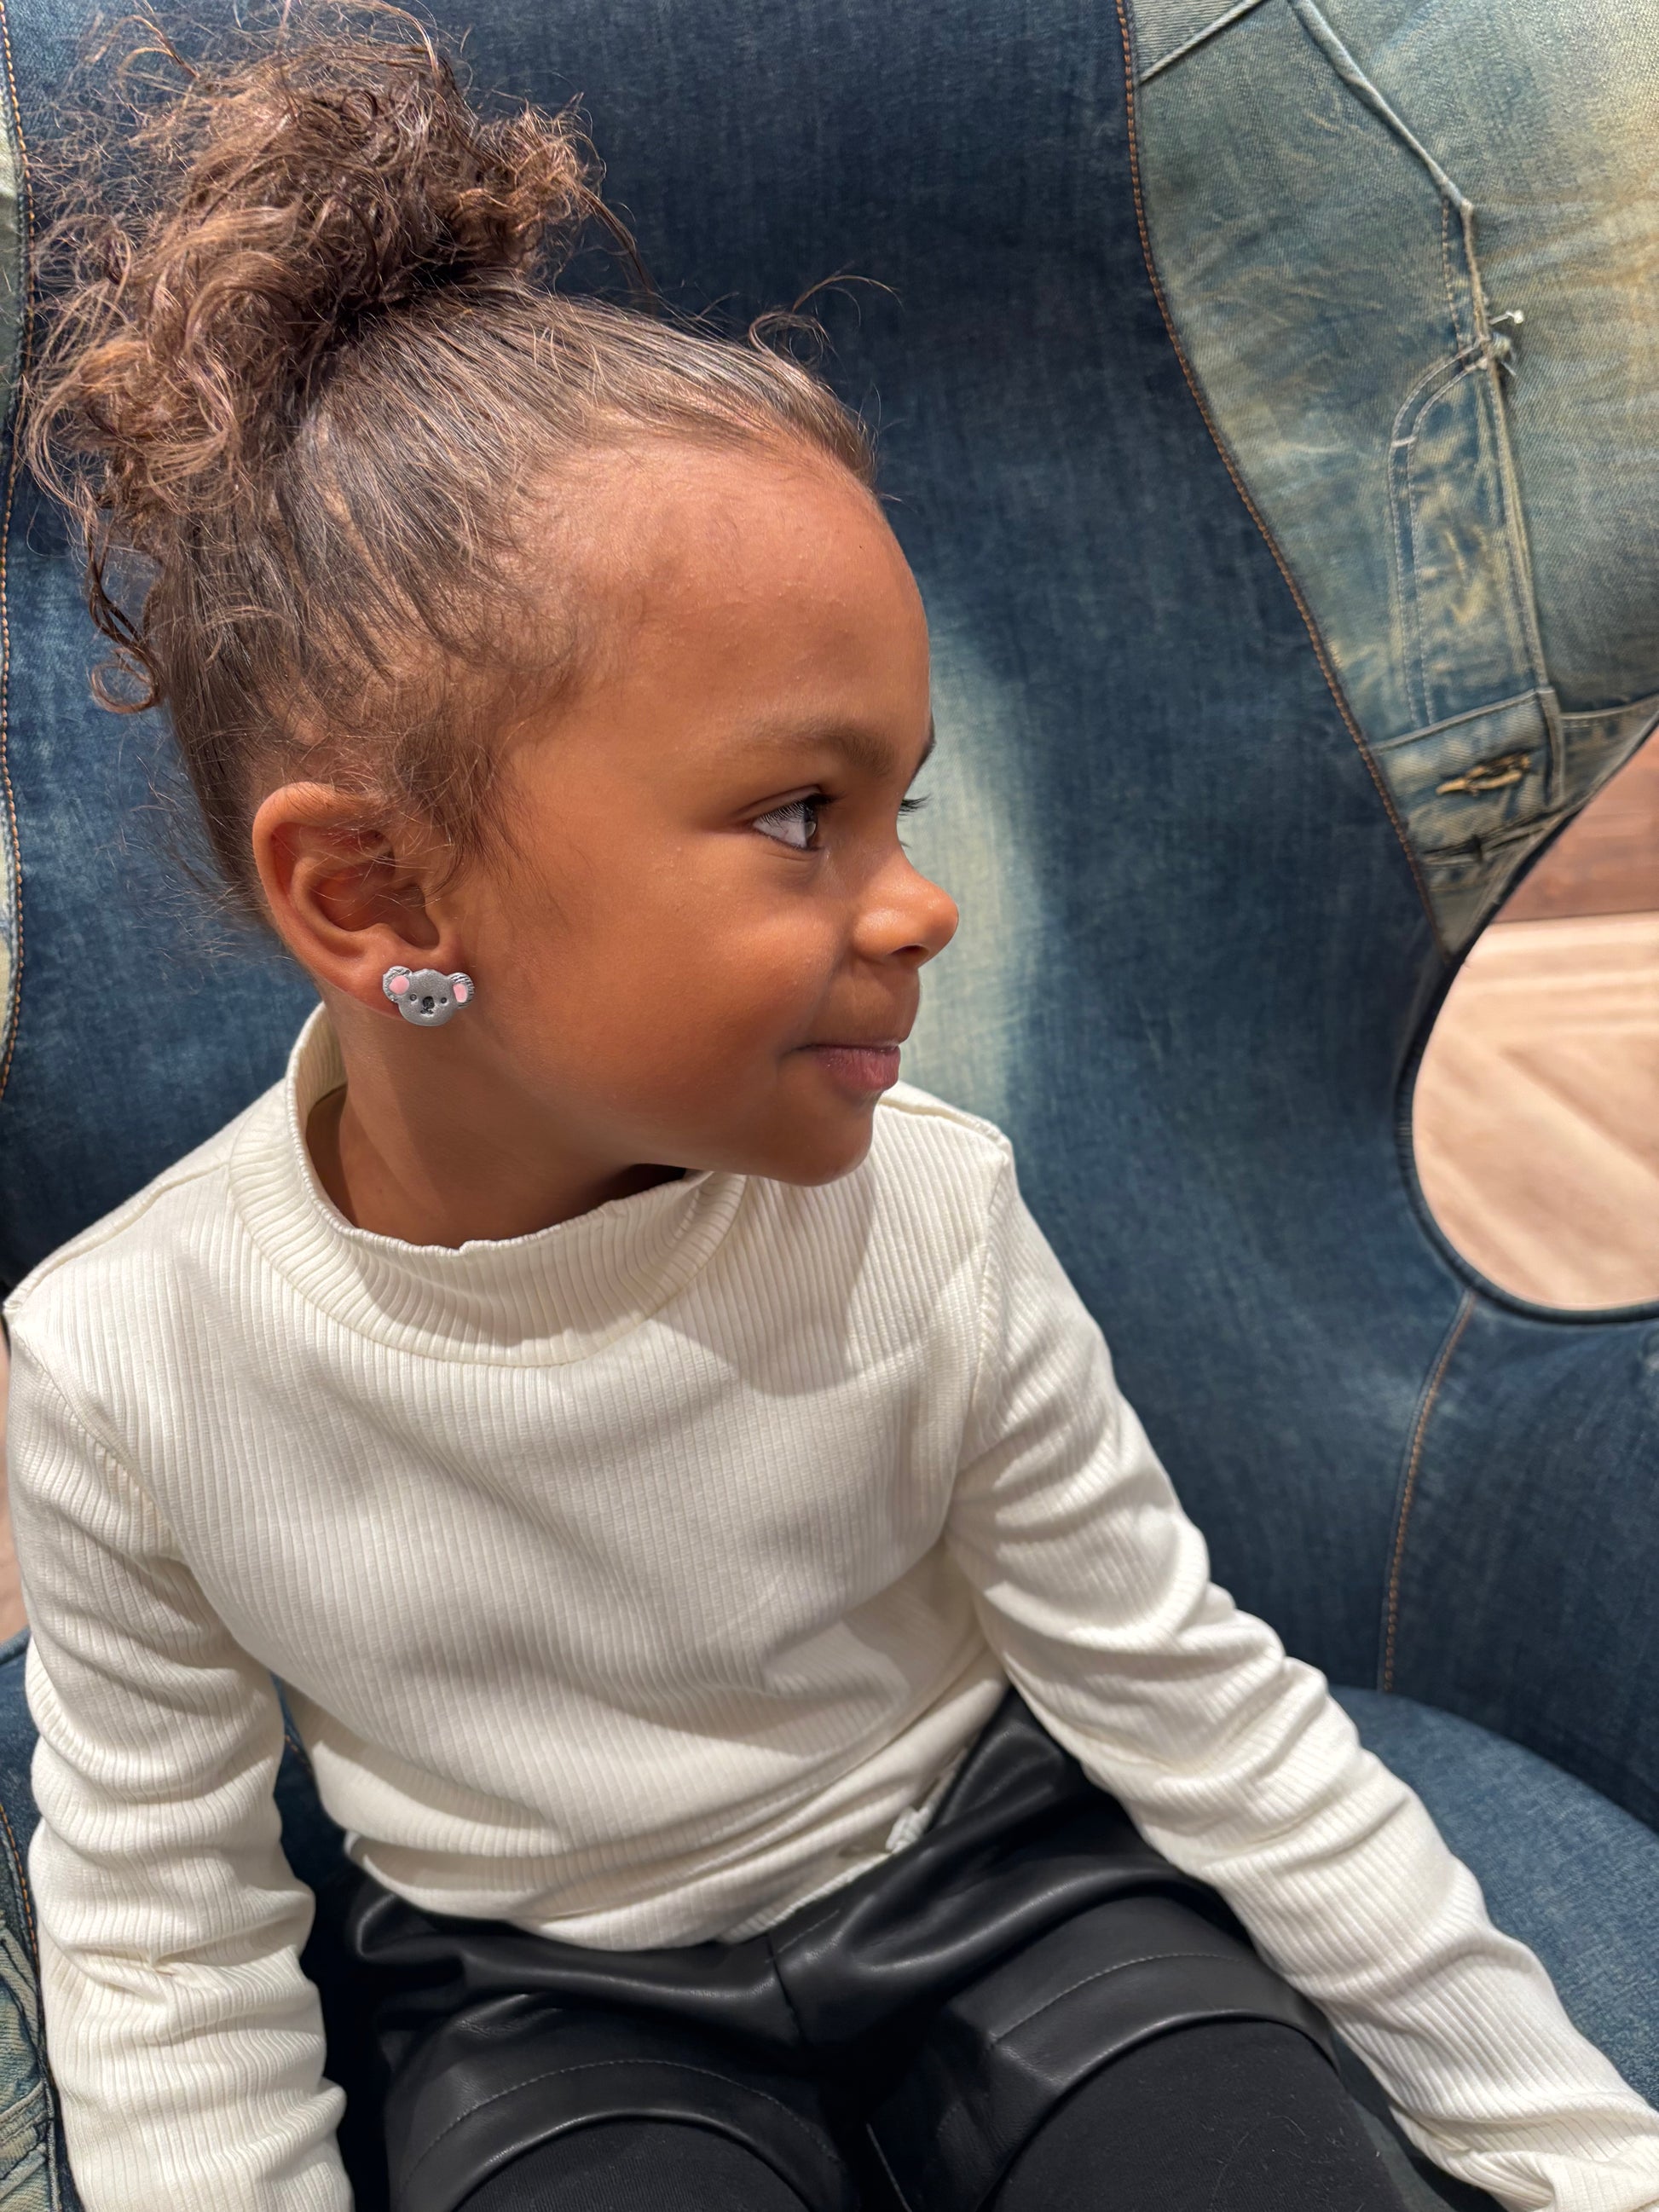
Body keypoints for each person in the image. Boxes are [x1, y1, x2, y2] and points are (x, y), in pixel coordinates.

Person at [6, 16, 1657, 2212]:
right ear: (377, 891)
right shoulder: (125, 1370)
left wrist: (1578, 2153)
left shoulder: (930, 1217)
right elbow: (165, 1943)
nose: (922, 901)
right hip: (538, 2017)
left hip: (1017, 1894)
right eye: (800, 813)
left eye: (903, 802)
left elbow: (1194, 1701)